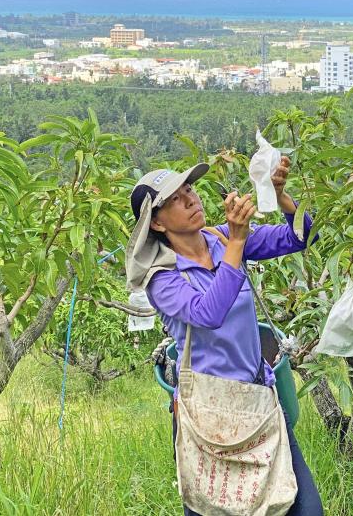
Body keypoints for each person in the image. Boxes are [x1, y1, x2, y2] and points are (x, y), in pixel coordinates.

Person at [126, 157, 323, 516]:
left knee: (306, 508)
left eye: (188, 189)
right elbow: (208, 313)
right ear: (156, 222)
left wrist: (280, 197)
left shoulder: (222, 239)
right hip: (209, 416)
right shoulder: (162, 278)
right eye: (174, 199)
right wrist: (237, 242)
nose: (190, 199)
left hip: (258, 403)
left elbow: (302, 236)